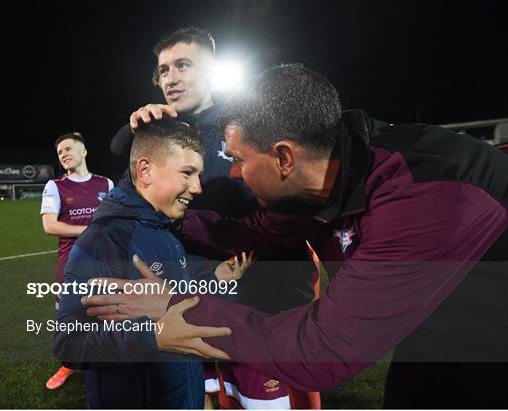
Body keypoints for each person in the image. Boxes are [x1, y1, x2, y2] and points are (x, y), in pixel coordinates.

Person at [85, 64, 508, 408]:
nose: (234, 172)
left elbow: (325, 349)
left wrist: (175, 308)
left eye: (238, 158)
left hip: (499, 354)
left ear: (283, 158)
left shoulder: (430, 193)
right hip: (430, 345)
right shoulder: (321, 175)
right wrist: (156, 214)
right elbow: (250, 231)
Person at [111, 26, 320, 409]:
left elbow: (288, 219)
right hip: (195, 295)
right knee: (208, 398)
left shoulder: (254, 121)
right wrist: (137, 137)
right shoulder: (163, 135)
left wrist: (187, 225)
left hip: (266, 300)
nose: (170, 78)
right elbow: (129, 210)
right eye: (163, 70)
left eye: (183, 65)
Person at [54, 118, 251, 408]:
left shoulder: (163, 229)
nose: (197, 188)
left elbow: (172, 297)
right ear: (145, 171)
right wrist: (152, 338)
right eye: (187, 173)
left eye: (198, 175)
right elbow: (69, 344)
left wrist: (215, 280)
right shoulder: (104, 240)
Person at [40, 132, 113, 389]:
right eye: (60, 153)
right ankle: (68, 364)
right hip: (70, 263)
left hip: (103, 262)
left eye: (69, 149)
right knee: (71, 318)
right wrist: (88, 230)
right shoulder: (55, 186)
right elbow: (50, 225)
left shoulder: (106, 184)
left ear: (84, 152)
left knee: (106, 313)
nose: (64, 155)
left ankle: (105, 359)